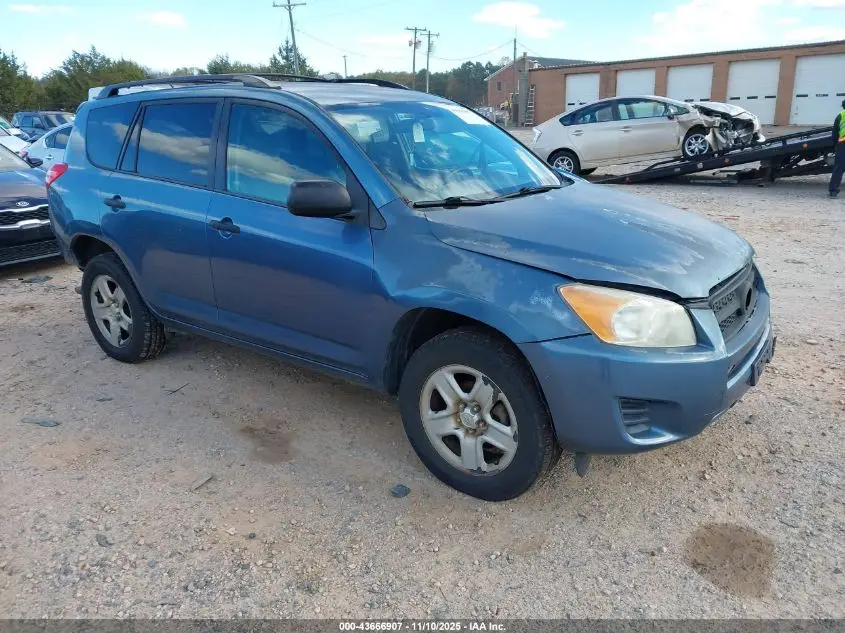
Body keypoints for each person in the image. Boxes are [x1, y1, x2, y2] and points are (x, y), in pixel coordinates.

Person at [830, 99, 845, 198]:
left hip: (842, 144)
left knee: (839, 168)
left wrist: (835, 144)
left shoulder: (840, 115)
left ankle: (833, 190)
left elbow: (835, 132)